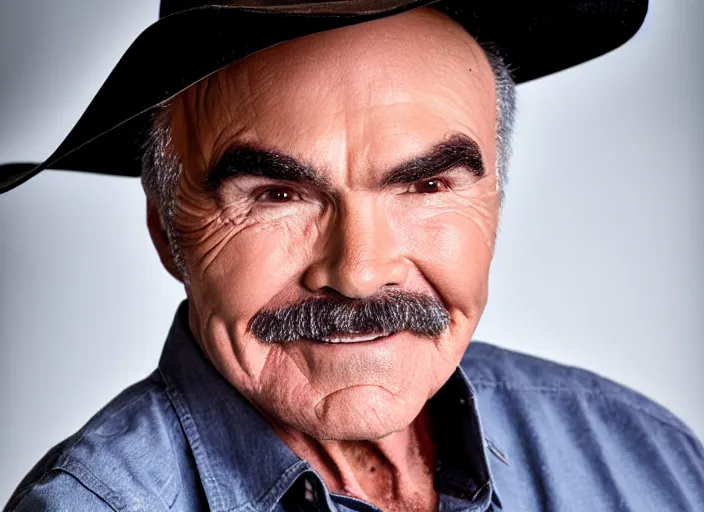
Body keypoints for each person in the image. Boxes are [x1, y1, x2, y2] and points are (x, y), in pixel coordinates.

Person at [2, 1, 702, 511]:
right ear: (167, 230)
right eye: (279, 194)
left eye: (426, 186)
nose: (361, 270)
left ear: (494, 202)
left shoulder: (645, 459)